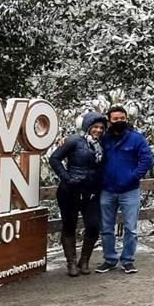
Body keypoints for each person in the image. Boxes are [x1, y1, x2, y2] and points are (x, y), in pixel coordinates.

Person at [95, 105, 154, 275]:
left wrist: (132, 177)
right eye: (115, 119)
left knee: (131, 228)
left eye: (122, 118)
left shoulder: (137, 139)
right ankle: (110, 259)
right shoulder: (104, 139)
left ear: (127, 119)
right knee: (106, 228)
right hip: (107, 190)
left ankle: (127, 260)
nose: (119, 121)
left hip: (130, 191)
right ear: (110, 121)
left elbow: (146, 160)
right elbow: (89, 147)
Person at [48, 112, 107, 276]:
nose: (98, 130)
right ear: (88, 126)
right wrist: (67, 178)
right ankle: (71, 262)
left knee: (94, 226)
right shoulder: (74, 140)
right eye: (95, 127)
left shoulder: (103, 144)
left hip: (92, 192)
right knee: (69, 226)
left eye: (101, 128)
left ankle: (84, 260)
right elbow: (54, 159)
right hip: (70, 191)